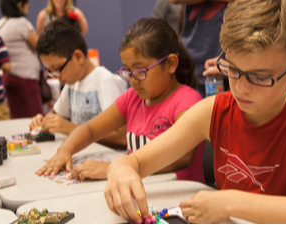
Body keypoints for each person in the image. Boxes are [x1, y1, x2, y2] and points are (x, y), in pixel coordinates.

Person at [104, 0, 286, 224]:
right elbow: (135, 161)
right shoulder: (213, 110)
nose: (241, 88)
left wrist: (229, 202)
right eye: (232, 69)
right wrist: (121, 170)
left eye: (260, 78)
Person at [35, 18, 205, 184]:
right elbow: (91, 129)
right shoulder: (132, 98)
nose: (132, 79)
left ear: (170, 64)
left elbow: (182, 156)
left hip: (178, 199)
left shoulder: (188, 101)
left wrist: (115, 167)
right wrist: (65, 150)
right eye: (127, 71)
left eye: (140, 70)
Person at [30, 20, 127, 143]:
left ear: (78, 57)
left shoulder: (106, 82)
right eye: (50, 71)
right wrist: (42, 122)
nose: (55, 77)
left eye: (57, 69)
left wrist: (72, 129)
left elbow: (122, 137)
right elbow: (54, 115)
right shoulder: (72, 83)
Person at [0, 0, 43, 119]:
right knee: (36, 117)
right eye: (27, 6)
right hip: (25, 80)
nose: (28, 9)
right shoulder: (21, 23)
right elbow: (39, 45)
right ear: (19, 5)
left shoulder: (0, 24)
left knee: (17, 117)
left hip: (9, 77)